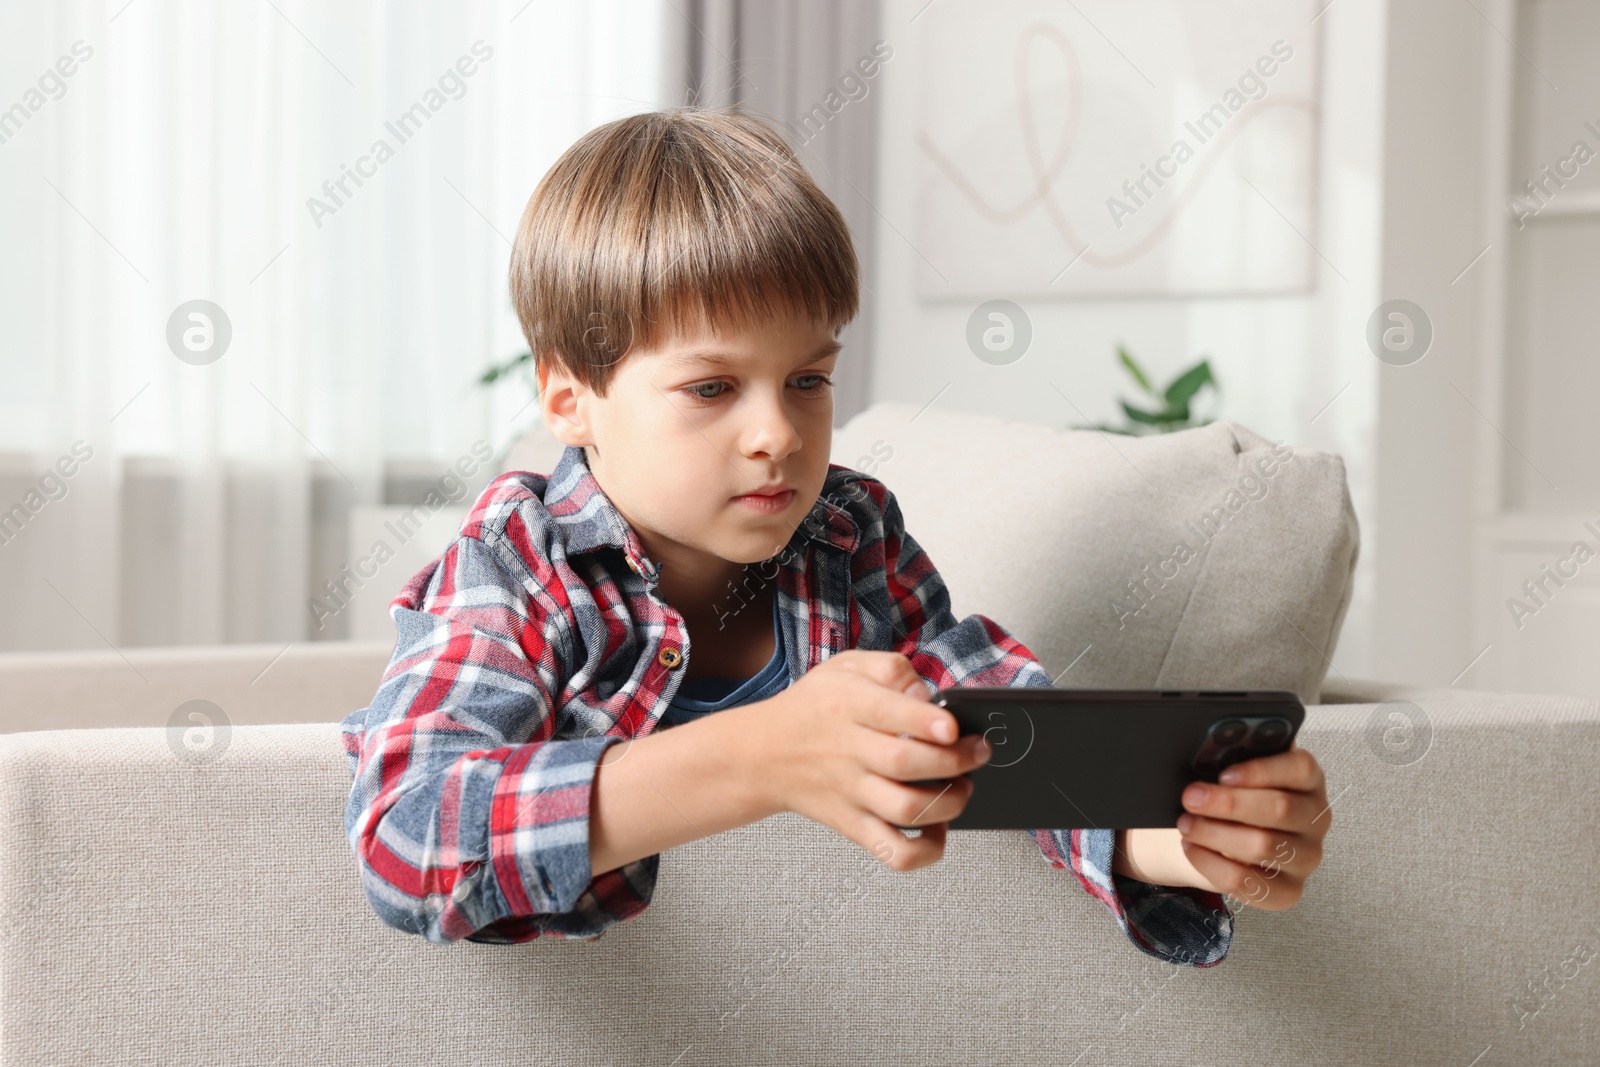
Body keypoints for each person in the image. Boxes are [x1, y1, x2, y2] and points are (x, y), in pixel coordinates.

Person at [339, 108, 1330, 967]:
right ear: (570, 396)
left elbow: (992, 725)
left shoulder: (846, 533)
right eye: (711, 388)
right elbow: (409, 833)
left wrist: (1179, 837)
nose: (777, 432)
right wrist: (764, 754)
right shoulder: (518, 563)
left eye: (807, 380)